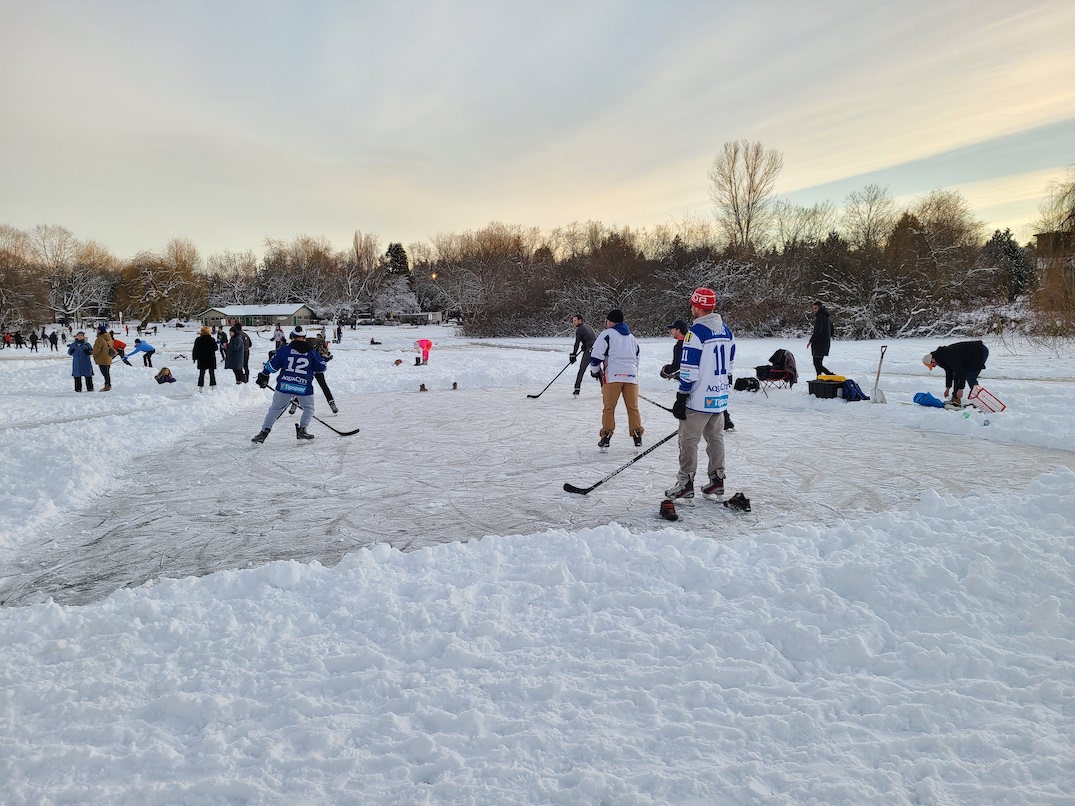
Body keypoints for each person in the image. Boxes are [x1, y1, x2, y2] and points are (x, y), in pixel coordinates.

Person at [666, 287, 736, 502]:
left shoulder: (694, 333)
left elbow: (689, 370)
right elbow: (730, 366)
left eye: (692, 305)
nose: (691, 309)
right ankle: (717, 480)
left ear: (697, 306)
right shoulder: (727, 331)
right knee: (716, 439)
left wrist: (681, 396)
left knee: (688, 441)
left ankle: (685, 484)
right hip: (719, 398)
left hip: (697, 400)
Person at [251, 326, 328, 443]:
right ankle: (302, 430)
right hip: (303, 387)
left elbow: (271, 366)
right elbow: (321, 368)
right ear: (305, 338)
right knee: (309, 408)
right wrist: (323, 359)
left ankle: (264, 432)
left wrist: (264, 374)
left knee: (275, 409)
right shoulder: (312, 352)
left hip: (284, 385)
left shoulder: (284, 350)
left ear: (292, 337)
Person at [589, 309, 643, 448]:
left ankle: (606, 436)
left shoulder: (607, 335)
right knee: (633, 408)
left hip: (613, 376)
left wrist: (595, 371)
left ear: (611, 321)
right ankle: (637, 435)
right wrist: (634, 376)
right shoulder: (632, 338)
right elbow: (636, 359)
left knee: (609, 408)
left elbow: (596, 356)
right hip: (631, 377)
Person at [923, 340, 989, 408]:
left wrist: (961, 389)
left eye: (932, 365)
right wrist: (948, 387)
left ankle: (980, 400)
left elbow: (961, 371)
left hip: (979, 351)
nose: (933, 367)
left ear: (932, 360)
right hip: (970, 356)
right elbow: (949, 372)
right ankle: (956, 399)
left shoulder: (947, 356)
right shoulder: (940, 358)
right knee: (957, 374)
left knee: (970, 377)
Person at [569, 314, 597, 397]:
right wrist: (585, 345)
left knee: (581, 369)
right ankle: (603, 385)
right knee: (596, 369)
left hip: (590, 350)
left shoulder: (580, 329)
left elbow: (577, 343)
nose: (573, 322)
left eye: (575, 321)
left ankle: (577, 389)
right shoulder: (587, 326)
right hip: (596, 349)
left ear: (580, 321)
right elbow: (592, 338)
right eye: (573, 321)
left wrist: (573, 354)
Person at [807, 301, 835, 377]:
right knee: (818, 363)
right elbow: (832, 331)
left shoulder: (820, 317)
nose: (814, 310)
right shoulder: (828, 318)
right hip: (825, 344)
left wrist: (811, 341)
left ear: (820, 308)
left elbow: (817, 331)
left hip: (819, 344)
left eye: (815, 308)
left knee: (817, 364)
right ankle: (819, 378)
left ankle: (830, 375)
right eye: (813, 308)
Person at [192, 325, 219, 390]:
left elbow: (195, 349)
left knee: (201, 374)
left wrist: (194, 357)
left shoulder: (198, 340)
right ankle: (213, 386)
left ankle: (200, 387)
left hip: (202, 359)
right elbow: (215, 348)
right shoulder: (211, 339)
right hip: (210, 358)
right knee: (212, 373)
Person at [92, 325, 115, 391]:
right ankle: (108, 384)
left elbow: (96, 350)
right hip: (108, 358)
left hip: (102, 359)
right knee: (107, 373)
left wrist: (95, 356)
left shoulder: (100, 339)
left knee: (104, 373)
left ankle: (107, 385)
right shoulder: (109, 337)